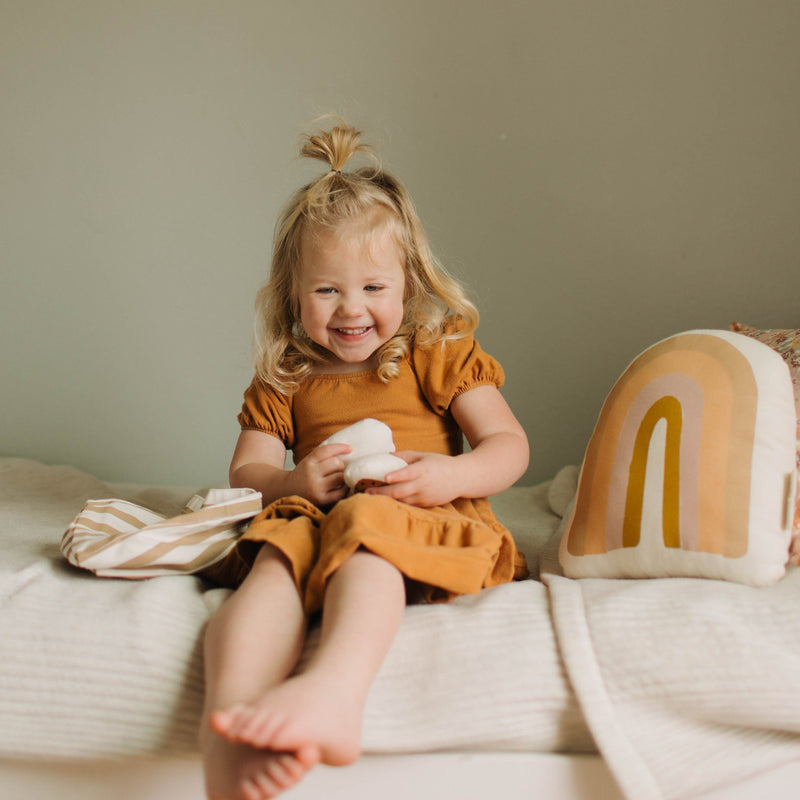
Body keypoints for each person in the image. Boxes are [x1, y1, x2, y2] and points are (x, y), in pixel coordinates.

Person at [200, 120, 530, 800]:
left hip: (413, 512)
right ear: (295, 294)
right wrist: (293, 480)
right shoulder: (285, 375)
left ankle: (333, 693)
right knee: (270, 564)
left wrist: (449, 475)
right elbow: (247, 475)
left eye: (373, 288)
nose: (352, 309)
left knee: (368, 539)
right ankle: (225, 728)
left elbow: (509, 446)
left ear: (408, 284)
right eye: (327, 291)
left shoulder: (438, 351)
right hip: (315, 513)